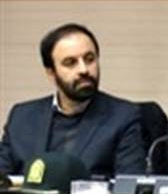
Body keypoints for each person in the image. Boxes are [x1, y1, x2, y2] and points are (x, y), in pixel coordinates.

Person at [0, 23, 146, 179]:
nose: (84, 70)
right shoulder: (21, 117)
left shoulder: (122, 117)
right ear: (51, 73)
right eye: (70, 62)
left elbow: (129, 185)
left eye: (89, 59)